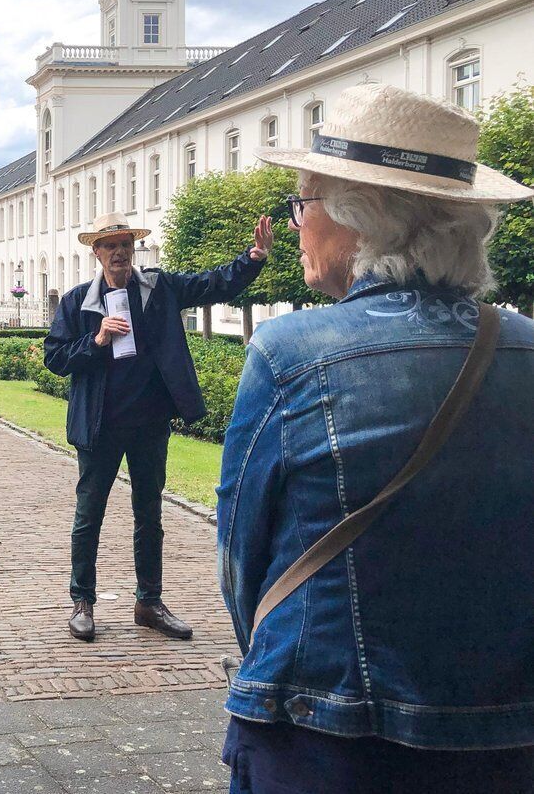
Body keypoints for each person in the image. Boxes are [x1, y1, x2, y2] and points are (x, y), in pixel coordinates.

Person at [217, 83, 534, 793]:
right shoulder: (527, 348)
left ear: (360, 222)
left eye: (302, 203)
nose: (295, 224)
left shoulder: (291, 352)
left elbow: (242, 561)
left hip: (329, 732)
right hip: (503, 736)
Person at [45, 210, 271, 643]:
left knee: (150, 515)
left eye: (125, 245)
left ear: (134, 249)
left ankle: (149, 602)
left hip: (149, 423)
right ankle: (82, 602)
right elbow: (54, 358)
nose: (119, 253)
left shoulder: (158, 288)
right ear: (96, 253)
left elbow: (214, 283)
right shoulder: (77, 303)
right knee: (88, 515)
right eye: (110, 246)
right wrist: (95, 341)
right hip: (100, 426)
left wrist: (254, 257)